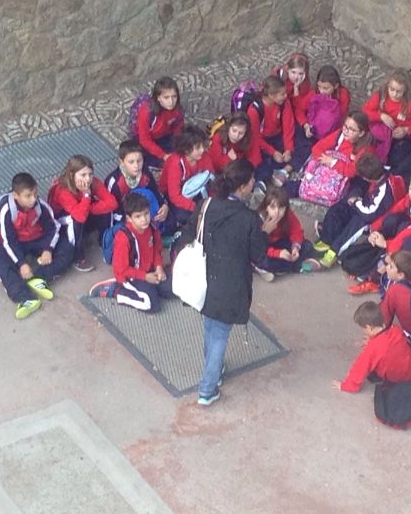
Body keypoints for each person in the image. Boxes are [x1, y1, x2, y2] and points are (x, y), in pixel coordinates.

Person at [184, 159, 278, 406]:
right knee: (219, 335)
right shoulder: (249, 219)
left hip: (204, 277)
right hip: (231, 284)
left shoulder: (206, 204)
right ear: (244, 186)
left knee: (210, 326)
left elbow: (190, 232)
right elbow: (258, 256)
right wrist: (266, 231)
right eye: (251, 180)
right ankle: (207, 388)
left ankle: (213, 369)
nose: (253, 183)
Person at [0, 173, 72, 319]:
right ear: (16, 196)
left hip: (37, 239)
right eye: (28, 196)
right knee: (0, 263)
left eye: (35, 193)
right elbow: (8, 240)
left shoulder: (40, 206)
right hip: (17, 243)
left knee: (68, 249)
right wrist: (21, 263)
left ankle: (39, 278)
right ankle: (25, 298)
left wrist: (48, 249)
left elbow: (54, 227)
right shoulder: (6, 211)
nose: (33, 199)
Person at [348, 172, 411, 295]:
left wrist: (387, 244)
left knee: (407, 242)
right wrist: (374, 230)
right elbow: (393, 211)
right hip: (407, 235)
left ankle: (375, 279)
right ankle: (366, 264)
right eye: (410, 188)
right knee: (393, 220)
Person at [315, 153, 405, 267]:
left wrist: (356, 202)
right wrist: (354, 198)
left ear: (367, 178)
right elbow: (359, 187)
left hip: (380, 218)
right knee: (339, 208)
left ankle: (334, 251)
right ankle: (328, 239)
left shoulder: (385, 190)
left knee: (358, 223)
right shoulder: (379, 173)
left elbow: (370, 214)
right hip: (366, 205)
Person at [89, 193, 173, 313]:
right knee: (151, 305)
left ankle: (149, 289)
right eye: (138, 216)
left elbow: (156, 249)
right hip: (130, 276)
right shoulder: (124, 238)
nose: (144, 219)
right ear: (129, 218)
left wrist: (159, 267)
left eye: (146, 214)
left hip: (149, 271)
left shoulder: (152, 228)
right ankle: (115, 290)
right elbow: (121, 269)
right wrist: (145, 277)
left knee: (172, 289)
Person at [332, 301, 411, 393]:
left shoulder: (373, 348)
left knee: (372, 362)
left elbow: (359, 369)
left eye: (363, 329)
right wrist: (371, 340)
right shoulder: (395, 329)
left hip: (399, 378)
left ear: (369, 327)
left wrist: (346, 386)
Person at [48, 154, 118, 272]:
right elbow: (79, 217)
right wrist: (86, 195)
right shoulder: (63, 190)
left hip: (83, 210)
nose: (88, 179)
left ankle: (104, 241)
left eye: (90, 174)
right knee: (75, 219)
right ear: (72, 175)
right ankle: (78, 257)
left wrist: (88, 207)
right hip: (63, 221)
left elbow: (112, 203)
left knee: (105, 210)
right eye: (83, 175)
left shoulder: (93, 182)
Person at [362, 68, 411, 167]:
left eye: (399, 92)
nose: (394, 94)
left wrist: (407, 129)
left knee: (395, 159)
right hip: (381, 131)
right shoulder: (381, 96)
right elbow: (365, 111)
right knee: (368, 149)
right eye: (391, 89)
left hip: (402, 137)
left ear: (406, 91)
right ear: (387, 85)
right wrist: (380, 116)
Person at [253, 186, 319, 281]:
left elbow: (296, 231)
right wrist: (278, 254)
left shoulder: (288, 215)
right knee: (265, 261)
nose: (277, 212)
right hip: (264, 248)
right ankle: (297, 266)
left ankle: (283, 267)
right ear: (266, 207)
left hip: (280, 242)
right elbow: (256, 247)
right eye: (273, 207)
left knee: (307, 246)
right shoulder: (259, 220)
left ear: (286, 208)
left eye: (281, 208)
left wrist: (295, 248)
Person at [159, 125, 215, 234]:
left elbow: (211, 178)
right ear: (186, 150)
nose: (202, 150)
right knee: (184, 216)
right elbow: (175, 196)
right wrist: (197, 208)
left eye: (203, 146)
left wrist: (211, 201)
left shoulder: (204, 157)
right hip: (173, 195)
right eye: (198, 148)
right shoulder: (176, 164)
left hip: (195, 190)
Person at [104, 139, 168, 229]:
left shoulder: (145, 173)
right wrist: (131, 220)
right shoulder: (115, 183)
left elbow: (154, 191)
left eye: (139, 161)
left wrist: (164, 205)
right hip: (125, 217)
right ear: (122, 162)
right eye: (131, 162)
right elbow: (111, 212)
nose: (136, 166)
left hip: (144, 212)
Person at [250, 75, 297, 185]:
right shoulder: (254, 110)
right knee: (258, 162)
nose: (285, 96)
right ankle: (278, 172)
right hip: (263, 141)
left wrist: (288, 149)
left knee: (303, 142)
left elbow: (288, 126)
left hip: (279, 136)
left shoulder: (284, 103)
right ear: (271, 95)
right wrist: (273, 152)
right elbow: (255, 137)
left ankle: (284, 170)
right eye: (282, 94)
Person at [132, 76, 185, 168]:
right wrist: (163, 155)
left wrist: (179, 143)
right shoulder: (147, 112)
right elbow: (144, 139)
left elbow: (178, 128)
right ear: (158, 98)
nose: (171, 101)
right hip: (145, 140)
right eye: (166, 98)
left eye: (174, 97)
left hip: (164, 136)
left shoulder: (177, 110)